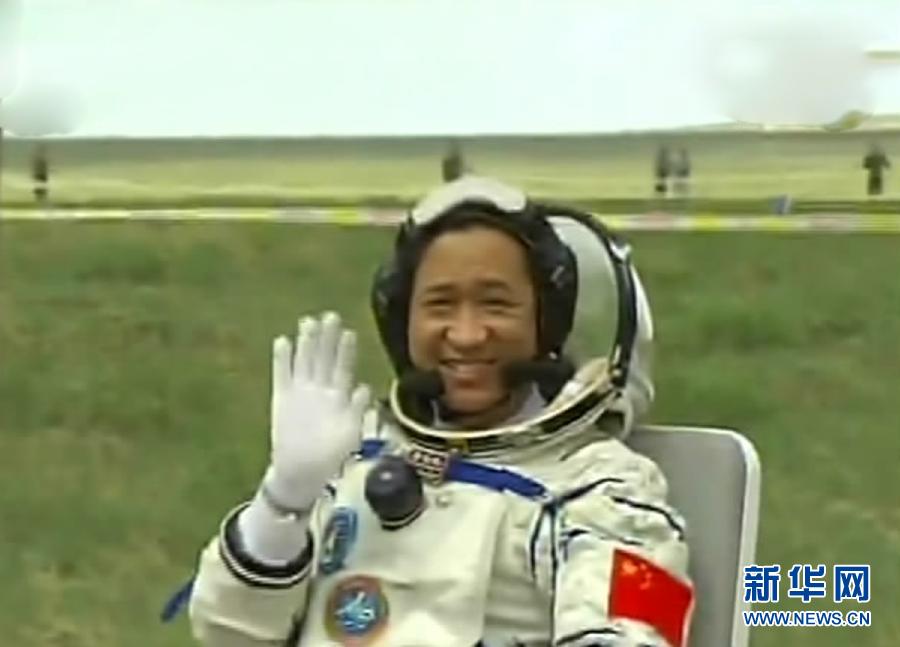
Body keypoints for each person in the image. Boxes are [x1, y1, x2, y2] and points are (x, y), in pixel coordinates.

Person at [179, 176, 694, 646]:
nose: (467, 335)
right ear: (401, 322)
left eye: (496, 304)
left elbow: (633, 634)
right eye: (440, 305)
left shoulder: (608, 489)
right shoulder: (346, 457)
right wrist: (282, 502)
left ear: (546, 321)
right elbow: (228, 634)